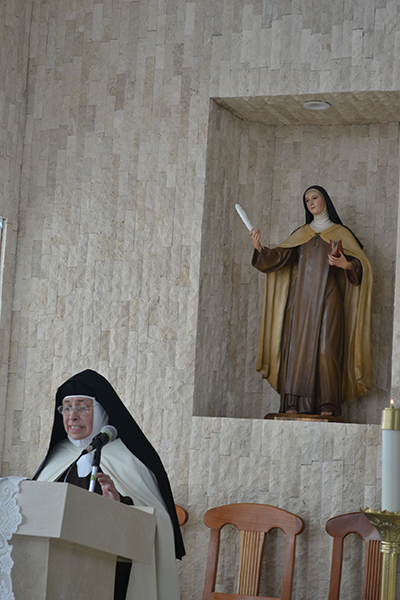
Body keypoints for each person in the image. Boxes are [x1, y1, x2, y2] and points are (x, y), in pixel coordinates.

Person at [33, 369, 185, 600]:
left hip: (112, 578)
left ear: (103, 411)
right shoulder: (57, 456)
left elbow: (159, 523)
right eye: (66, 407)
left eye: (82, 407)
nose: (72, 416)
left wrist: (120, 506)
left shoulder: (130, 459)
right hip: (54, 571)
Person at [250, 185, 372, 416]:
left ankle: (328, 404)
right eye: (307, 200)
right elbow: (277, 257)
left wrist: (345, 264)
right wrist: (259, 248)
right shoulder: (302, 234)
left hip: (329, 295)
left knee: (328, 349)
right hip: (302, 297)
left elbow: (360, 265)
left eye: (315, 197)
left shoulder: (341, 233)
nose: (311, 202)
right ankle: (293, 404)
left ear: (325, 199)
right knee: (297, 349)